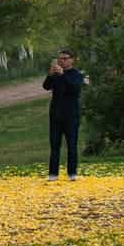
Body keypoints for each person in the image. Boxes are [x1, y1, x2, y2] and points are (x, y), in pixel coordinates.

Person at [42, 49, 87, 181]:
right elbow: (46, 87)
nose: (62, 61)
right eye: (60, 58)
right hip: (56, 114)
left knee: (72, 145)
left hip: (71, 114)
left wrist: (62, 75)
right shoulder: (56, 74)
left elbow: (74, 89)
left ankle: (72, 173)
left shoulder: (76, 74)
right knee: (55, 145)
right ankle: (53, 174)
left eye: (65, 58)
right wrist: (50, 75)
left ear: (72, 60)